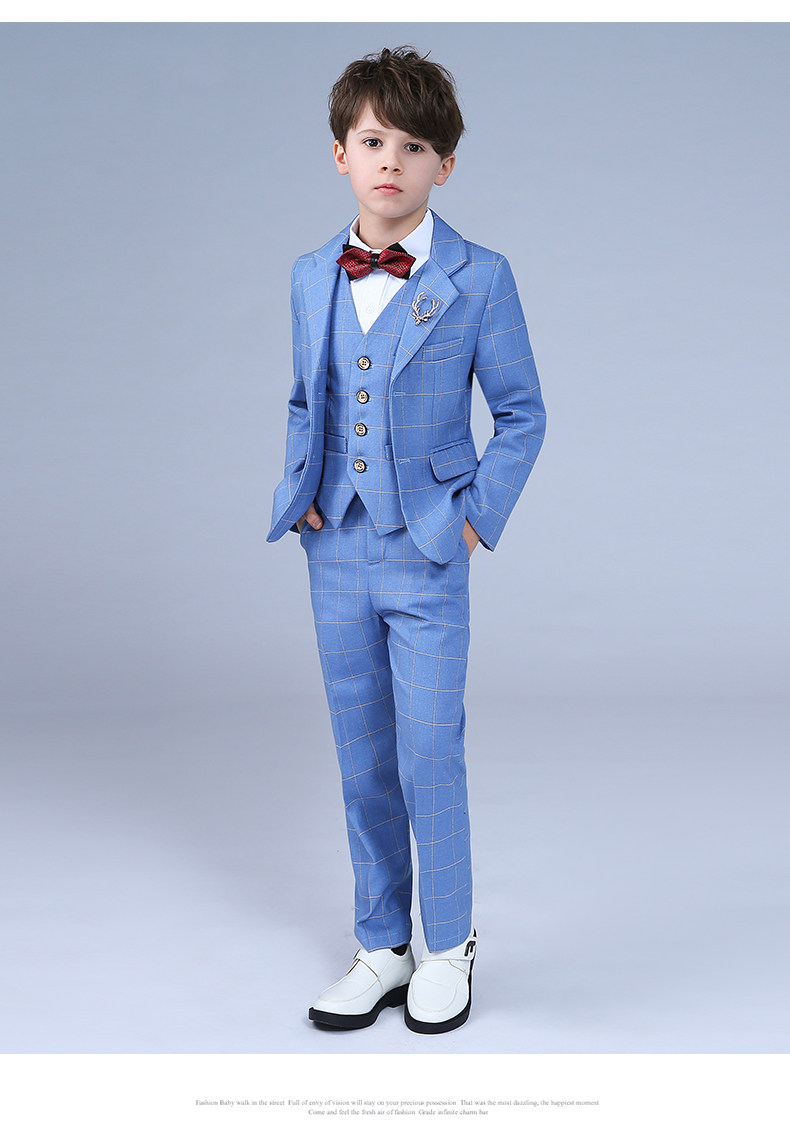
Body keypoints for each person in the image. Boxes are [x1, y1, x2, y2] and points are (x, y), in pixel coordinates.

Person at [268, 46, 546, 1034]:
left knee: (430, 749)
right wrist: (301, 492)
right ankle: (381, 941)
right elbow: (307, 399)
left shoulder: (480, 277)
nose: (391, 161)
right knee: (362, 754)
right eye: (373, 140)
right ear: (340, 153)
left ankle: (449, 942)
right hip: (335, 549)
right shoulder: (311, 275)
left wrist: (471, 520)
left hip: (428, 548)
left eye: (414, 146)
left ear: (445, 165)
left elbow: (522, 414)